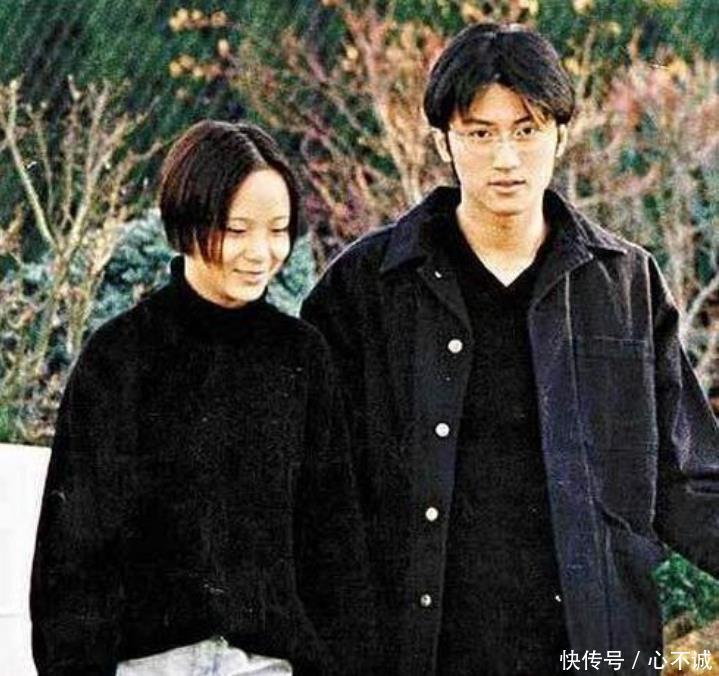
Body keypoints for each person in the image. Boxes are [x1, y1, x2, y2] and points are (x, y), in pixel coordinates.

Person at [301, 22, 719, 676]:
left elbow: (689, 478)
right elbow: (306, 483)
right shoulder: (366, 286)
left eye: (526, 130)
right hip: (415, 651)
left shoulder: (623, 284)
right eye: (480, 133)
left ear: (561, 135)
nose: (505, 158)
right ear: (443, 140)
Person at [31, 120, 373, 676]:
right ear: (186, 221)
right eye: (236, 230)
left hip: (268, 665)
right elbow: (71, 555)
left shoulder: (302, 358)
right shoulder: (120, 357)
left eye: (278, 230)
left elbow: (334, 544)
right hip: (145, 664)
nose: (261, 252)